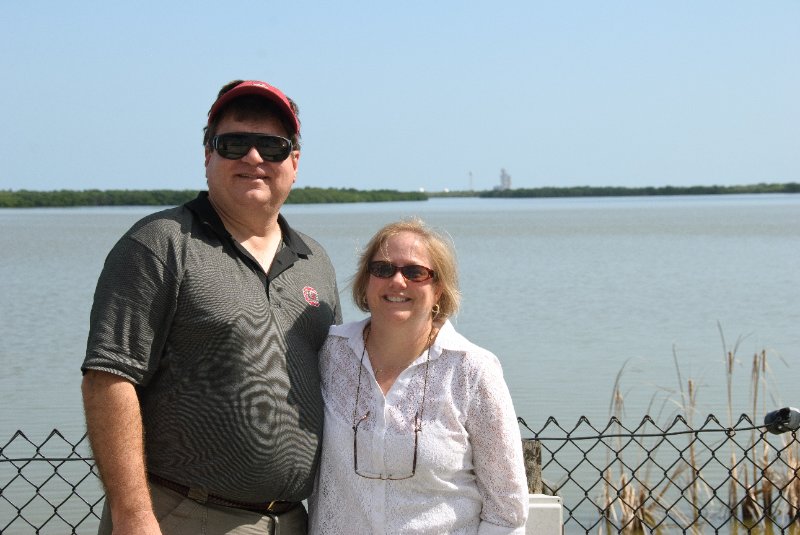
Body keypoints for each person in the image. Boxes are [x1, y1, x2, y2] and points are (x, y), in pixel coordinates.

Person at [81, 79, 341, 535]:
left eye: (272, 147)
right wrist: (133, 516)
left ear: (294, 162)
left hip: (294, 519)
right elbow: (109, 378)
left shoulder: (314, 261)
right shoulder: (159, 244)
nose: (254, 158)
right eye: (234, 143)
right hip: (183, 515)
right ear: (208, 154)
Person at [308, 218, 529, 534]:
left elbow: (507, 512)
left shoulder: (472, 369)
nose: (397, 282)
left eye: (415, 273)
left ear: (438, 288)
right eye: (383, 269)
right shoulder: (328, 353)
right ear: (365, 281)